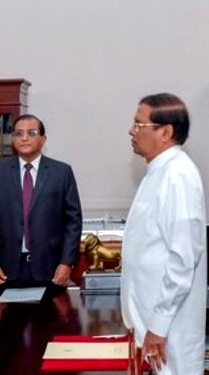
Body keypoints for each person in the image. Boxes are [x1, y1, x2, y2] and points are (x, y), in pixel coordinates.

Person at [121, 93, 206, 374]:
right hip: (151, 319)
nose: (131, 131)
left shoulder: (178, 176)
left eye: (139, 124)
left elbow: (182, 258)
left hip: (168, 327)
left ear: (165, 132)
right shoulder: (157, 172)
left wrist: (158, 326)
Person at [0, 114, 82, 290]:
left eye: (31, 133)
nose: (24, 138)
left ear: (43, 139)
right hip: (6, 269)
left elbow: (73, 222)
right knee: (10, 318)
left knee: (50, 318)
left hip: (51, 268)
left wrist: (67, 262)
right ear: (13, 139)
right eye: (18, 134)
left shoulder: (61, 172)